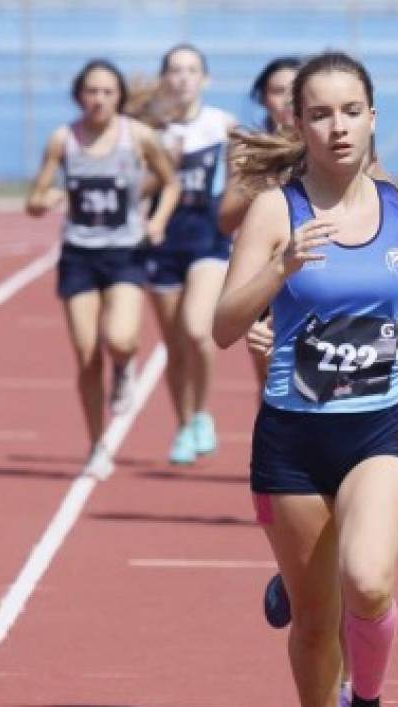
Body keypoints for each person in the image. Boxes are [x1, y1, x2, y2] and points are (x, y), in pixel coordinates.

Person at [212, 51, 398, 707]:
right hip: (292, 440)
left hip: (378, 429)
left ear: (372, 116)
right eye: (319, 113)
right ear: (299, 123)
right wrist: (281, 267)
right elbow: (224, 326)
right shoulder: (273, 212)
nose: (337, 126)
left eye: (350, 110)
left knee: (371, 579)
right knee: (316, 618)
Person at [26, 59, 180, 480]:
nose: (99, 99)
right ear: (79, 95)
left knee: (121, 337)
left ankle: (125, 367)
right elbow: (33, 199)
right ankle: (97, 445)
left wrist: (159, 220)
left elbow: (171, 181)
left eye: (108, 92)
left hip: (125, 252)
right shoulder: (64, 140)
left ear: (119, 97)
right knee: (85, 353)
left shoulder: (139, 137)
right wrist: (46, 200)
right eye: (91, 91)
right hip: (79, 255)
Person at [141, 44, 237, 465]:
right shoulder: (151, 132)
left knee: (198, 331)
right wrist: (167, 167)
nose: (182, 78)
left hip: (209, 241)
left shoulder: (222, 126)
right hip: (163, 243)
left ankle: (201, 416)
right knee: (174, 346)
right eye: (175, 71)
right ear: (164, 78)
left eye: (191, 70)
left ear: (205, 79)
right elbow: (135, 192)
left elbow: (242, 182)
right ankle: (184, 424)